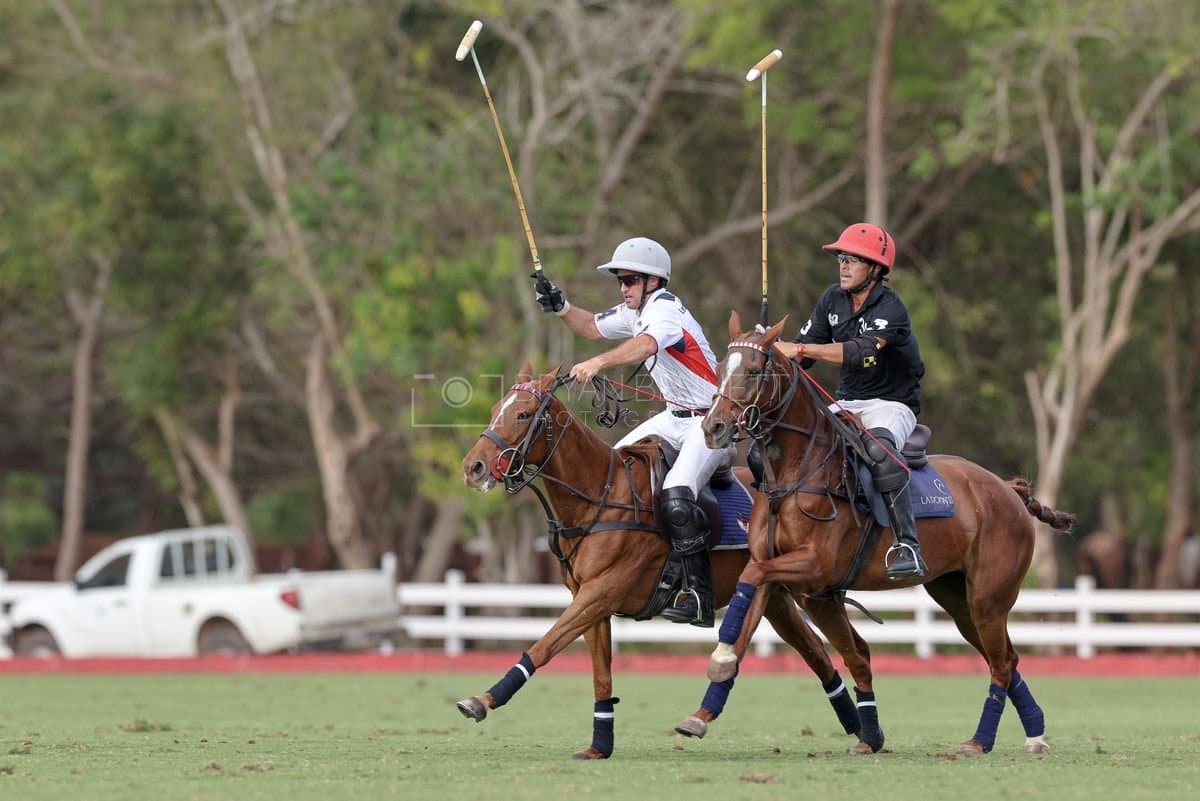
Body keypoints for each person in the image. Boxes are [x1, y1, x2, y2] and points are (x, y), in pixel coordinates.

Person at [533, 237, 731, 626]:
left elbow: (645, 346)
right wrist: (561, 306)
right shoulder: (635, 310)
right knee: (610, 474)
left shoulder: (666, 311)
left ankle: (698, 594)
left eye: (631, 280)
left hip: (712, 423)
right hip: (673, 418)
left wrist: (600, 363)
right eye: (620, 280)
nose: (623, 288)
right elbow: (590, 326)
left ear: (653, 282)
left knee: (676, 495)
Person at [774, 223, 928, 579]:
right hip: (847, 402)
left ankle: (907, 544)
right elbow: (805, 354)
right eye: (841, 259)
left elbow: (860, 352)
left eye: (853, 260)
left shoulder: (891, 308)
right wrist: (768, 351)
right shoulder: (832, 299)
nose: (843, 266)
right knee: (785, 445)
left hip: (891, 403)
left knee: (881, 453)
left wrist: (797, 348)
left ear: (875, 269)